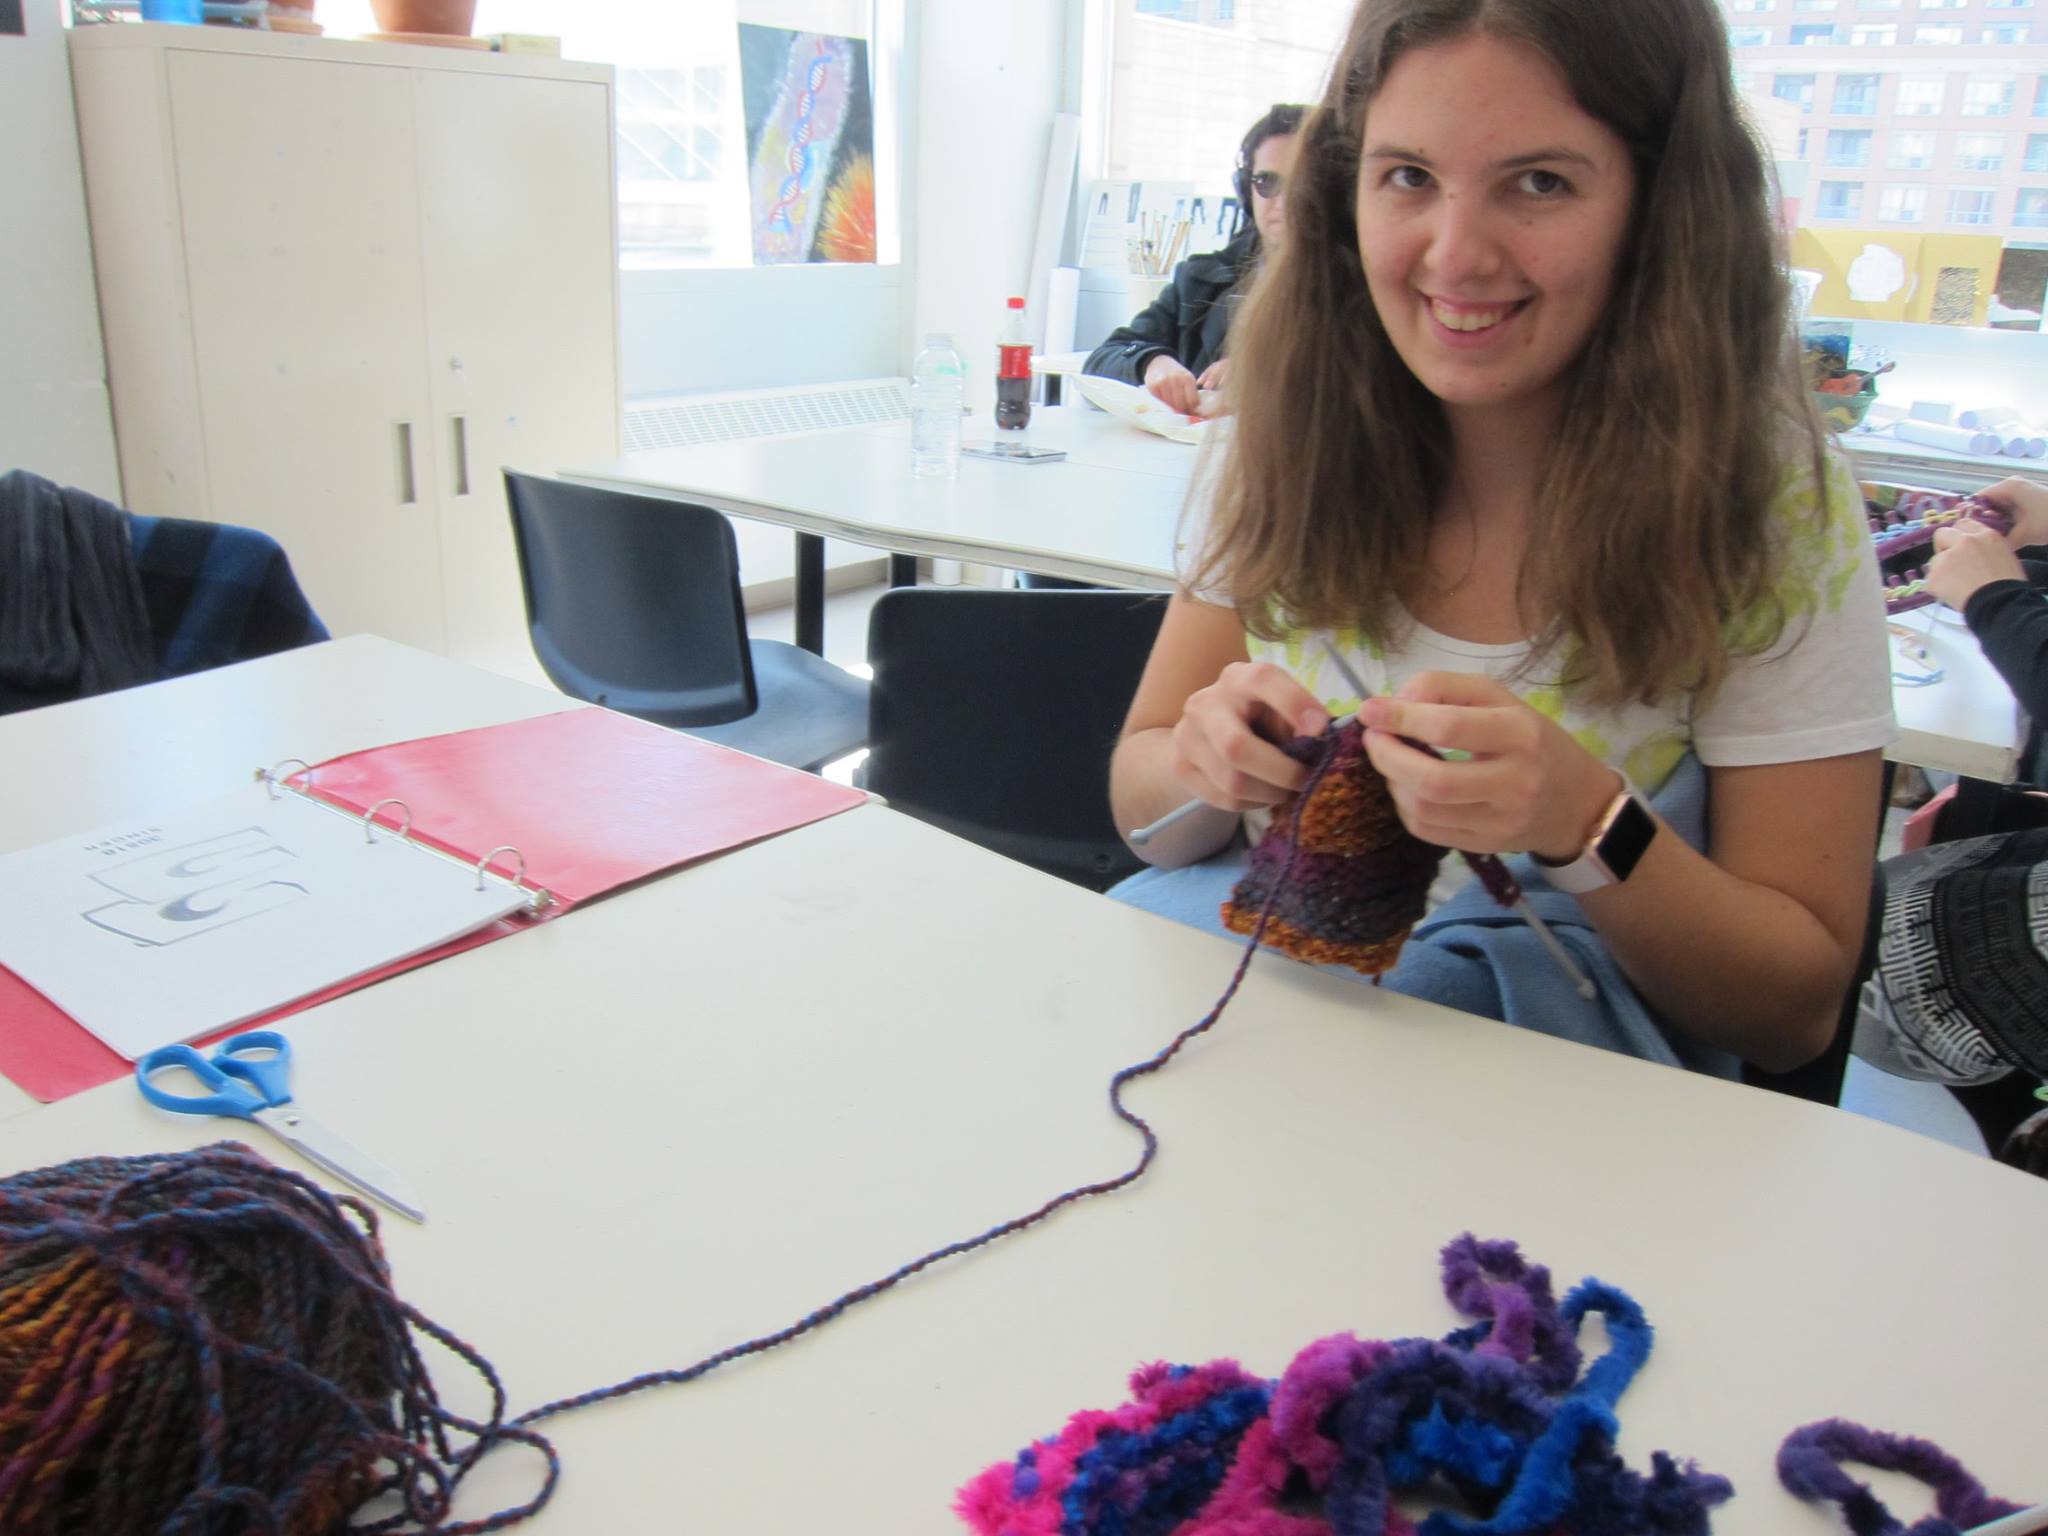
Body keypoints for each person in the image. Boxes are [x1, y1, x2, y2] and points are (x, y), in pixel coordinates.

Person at [1107, 0, 1895, 1076]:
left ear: (1658, 207)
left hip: (1558, 1131)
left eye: (1539, 183)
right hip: (1266, 1062)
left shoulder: (1768, 506)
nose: (1455, 255)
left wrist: (1583, 822)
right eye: (1407, 178)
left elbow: (1789, 1011)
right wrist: (1207, 765)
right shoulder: (1279, 440)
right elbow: (1140, 808)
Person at [1083, 105, 1305, 415]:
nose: (1283, 201)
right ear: (1246, 189)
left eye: (1301, 183)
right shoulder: (1202, 279)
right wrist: (1152, 362)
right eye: (1267, 183)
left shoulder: (1367, 294)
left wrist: (1263, 373)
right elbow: (1103, 358)